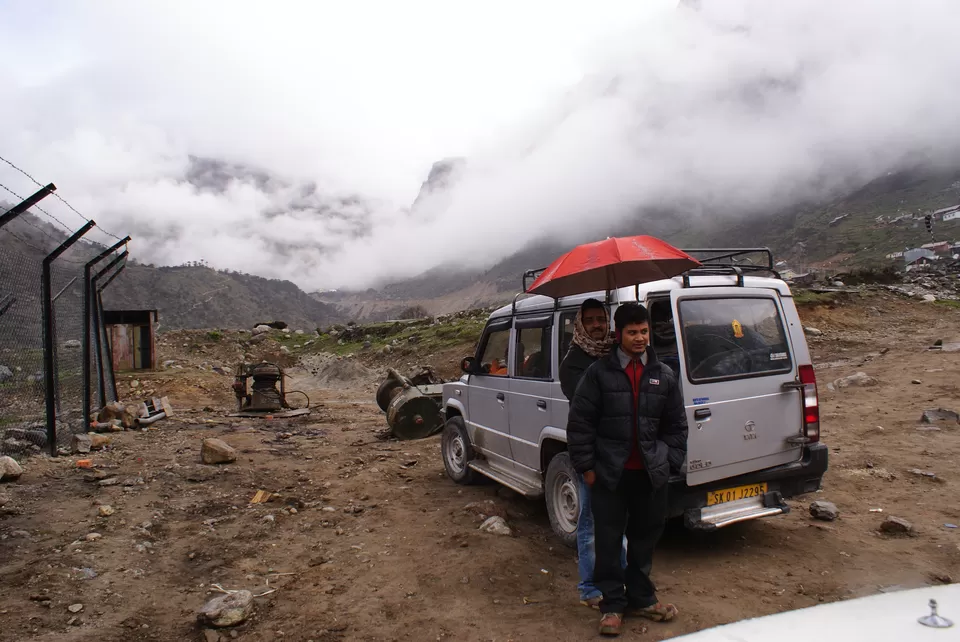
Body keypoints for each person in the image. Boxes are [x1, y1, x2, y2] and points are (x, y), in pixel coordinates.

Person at [567, 302, 688, 637]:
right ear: (618, 334)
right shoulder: (598, 374)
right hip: (610, 476)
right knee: (607, 541)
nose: (640, 338)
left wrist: (669, 460)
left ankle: (643, 598)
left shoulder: (663, 375)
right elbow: (579, 425)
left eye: (644, 331)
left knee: (644, 539)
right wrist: (588, 468)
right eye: (632, 332)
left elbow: (677, 426)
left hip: (650, 474)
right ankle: (612, 606)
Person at [559, 299, 623, 610]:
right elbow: (592, 406)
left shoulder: (618, 351)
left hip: (620, 453)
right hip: (592, 454)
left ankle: (620, 581)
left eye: (602, 319)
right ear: (580, 324)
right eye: (592, 320)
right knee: (590, 526)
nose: (598, 325)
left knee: (620, 522)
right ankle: (588, 587)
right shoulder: (573, 362)